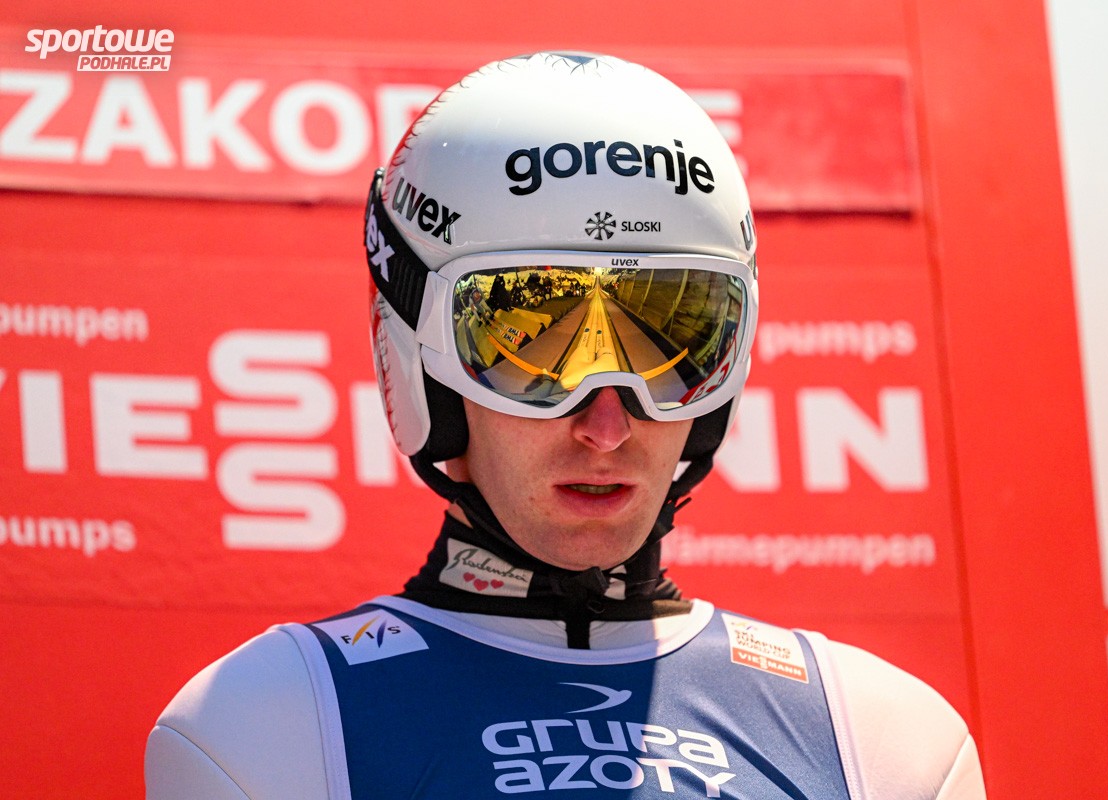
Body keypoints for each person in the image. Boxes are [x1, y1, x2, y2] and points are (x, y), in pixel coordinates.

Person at [145, 51, 986, 799]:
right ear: (420, 361)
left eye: (671, 336)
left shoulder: (886, 743)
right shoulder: (264, 729)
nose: (608, 425)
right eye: (534, 343)